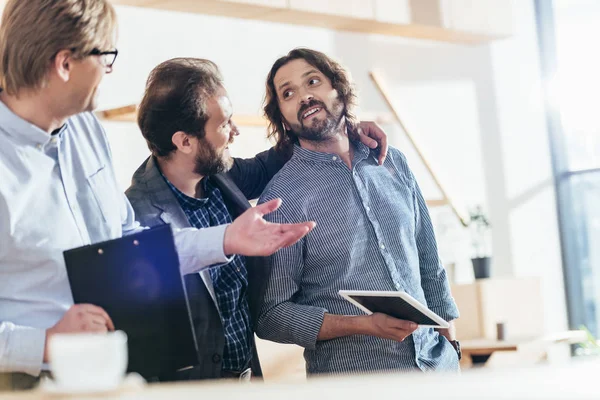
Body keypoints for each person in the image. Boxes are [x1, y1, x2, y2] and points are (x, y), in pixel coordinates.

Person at [0, 1, 312, 390]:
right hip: (24, 382)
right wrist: (43, 343)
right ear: (65, 64)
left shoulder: (84, 130)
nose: (109, 70)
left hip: (102, 372)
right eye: (106, 56)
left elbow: (130, 246)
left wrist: (227, 239)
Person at [126, 58, 390, 381]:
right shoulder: (138, 216)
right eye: (224, 124)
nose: (235, 132)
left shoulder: (221, 175)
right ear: (184, 141)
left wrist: (347, 126)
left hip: (249, 381)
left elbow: (276, 158)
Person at [256, 48, 461, 376]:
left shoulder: (394, 162)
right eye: (288, 93)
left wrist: (451, 342)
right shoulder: (281, 199)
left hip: (439, 370)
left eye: (313, 81)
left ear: (338, 88)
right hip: (355, 382)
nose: (305, 96)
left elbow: (428, 259)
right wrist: (361, 325)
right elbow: (270, 315)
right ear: (282, 116)